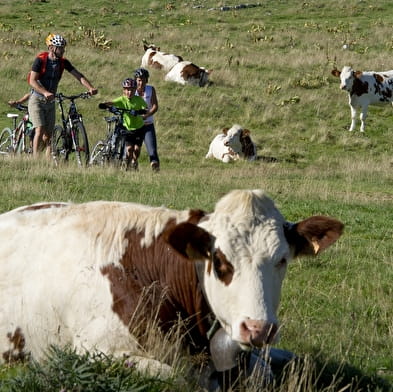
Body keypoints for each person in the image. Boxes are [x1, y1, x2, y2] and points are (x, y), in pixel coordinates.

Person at [28, 33, 97, 158]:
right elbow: (32, 80)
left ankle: (48, 161)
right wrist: (44, 92)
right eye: (60, 48)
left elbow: (78, 75)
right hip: (37, 99)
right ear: (51, 48)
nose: (63, 50)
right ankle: (35, 159)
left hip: (50, 101)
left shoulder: (63, 62)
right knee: (39, 129)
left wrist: (90, 87)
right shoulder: (40, 60)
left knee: (48, 134)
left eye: (63, 48)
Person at [99, 78, 147, 170]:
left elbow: (146, 108)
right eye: (127, 90)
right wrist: (106, 105)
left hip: (139, 128)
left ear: (135, 90)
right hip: (128, 128)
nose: (129, 92)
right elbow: (112, 102)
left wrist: (138, 112)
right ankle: (127, 168)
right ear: (124, 90)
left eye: (132, 90)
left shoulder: (138, 99)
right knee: (129, 149)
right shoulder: (122, 99)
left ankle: (134, 161)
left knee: (136, 150)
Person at [134, 68, 160, 172]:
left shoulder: (150, 89)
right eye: (139, 80)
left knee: (152, 150)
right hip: (135, 126)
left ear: (147, 80)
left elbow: (155, 106)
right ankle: (134, 164)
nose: (141, 82)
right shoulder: (131, 91)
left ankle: (155, 167)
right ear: (135, 80)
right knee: (136, 149)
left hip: (148, 124)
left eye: (143, 80)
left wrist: (147, 115)